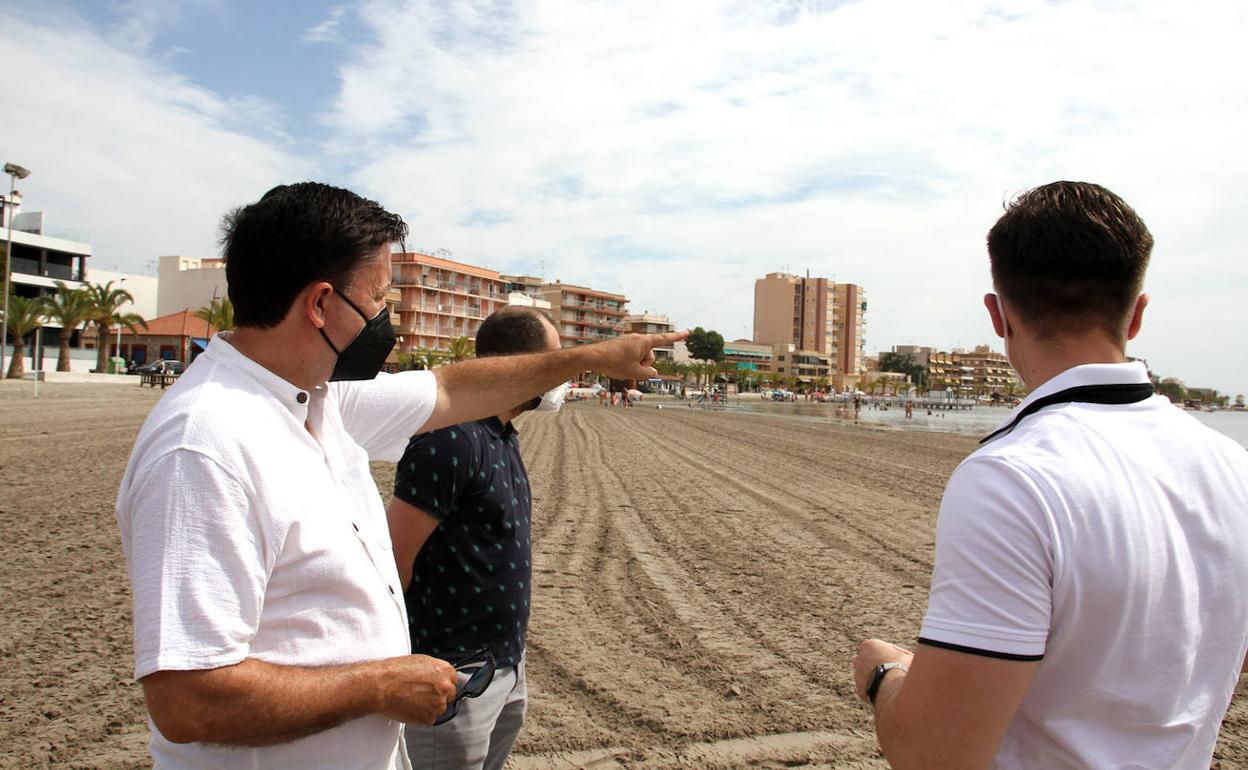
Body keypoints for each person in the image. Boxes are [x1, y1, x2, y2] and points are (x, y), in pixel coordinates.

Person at [114, 182, 684, 770]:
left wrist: (589, 357)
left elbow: (449, 388)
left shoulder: (315, 399)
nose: (389, 321)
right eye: (381, 299)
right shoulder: (204, 446)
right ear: (320, 305)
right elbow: (187, 700)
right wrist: (378, 687)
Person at [852, 181, 1248, 769]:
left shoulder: (1012, 477)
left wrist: (883, 671)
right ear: (1136, 314)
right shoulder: (1234, 466)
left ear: (998, 313)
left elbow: (934, 754)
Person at [388, 306, 563, 770]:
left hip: (505, 667)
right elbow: (391, 561)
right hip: (448, 676)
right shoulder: (450, 440)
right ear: (519, 364)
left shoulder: (502, 435)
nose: (561, 376)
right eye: (554, 362)